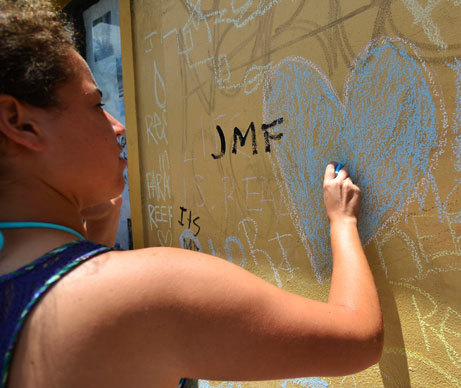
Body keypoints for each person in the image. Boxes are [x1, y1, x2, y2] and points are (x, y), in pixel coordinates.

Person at [0, 1, 383, 387]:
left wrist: (94, 221)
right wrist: (343, 222)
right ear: (19, 122)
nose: (117, 126)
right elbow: (358, 337)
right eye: (95, 104)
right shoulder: (148, 291)